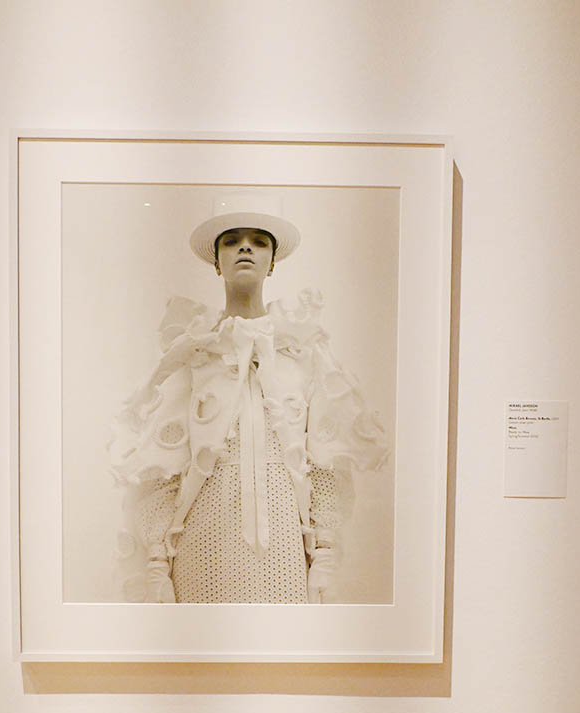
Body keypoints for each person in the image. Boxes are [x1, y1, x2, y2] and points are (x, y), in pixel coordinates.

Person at [109, 193, 387, 603]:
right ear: (215, 260)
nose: (245, 247)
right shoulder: (193, 350)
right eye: (232, 240)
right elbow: (164, 462)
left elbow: (324, 456)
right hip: (203, 539)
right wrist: (156, 558)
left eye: (258, 241)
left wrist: (324, 548)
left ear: (272, 261)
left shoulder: (301, 348)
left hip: (285, 545)